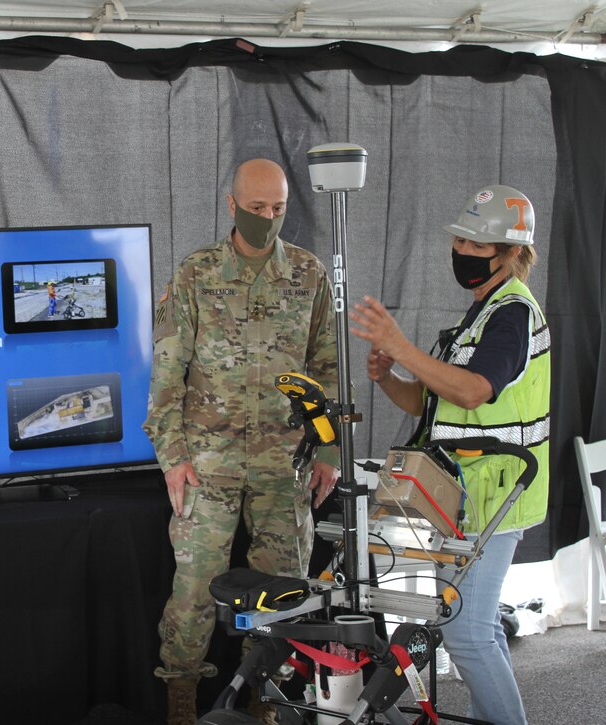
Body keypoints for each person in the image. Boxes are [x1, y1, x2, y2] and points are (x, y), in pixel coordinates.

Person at [144, 158, 341, 725]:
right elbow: (167, 372)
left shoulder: (308, 274)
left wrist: (326, 449)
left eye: (278, 209)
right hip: (208, 463)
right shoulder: (196, 273)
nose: (268, 218)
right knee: (194, 594)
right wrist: (173, 459)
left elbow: (325, 367)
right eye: (257, 208)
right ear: (231, 205)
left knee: (283, 592)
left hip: (285, 465)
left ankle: (266, 707)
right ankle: (182, 705)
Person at [349, 184, 549, 725]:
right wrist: (391, 376)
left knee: (465, 631)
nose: (462, 252)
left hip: (494, 496)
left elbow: (474, 390)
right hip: (461, 496)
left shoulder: (512, 317)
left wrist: (402, 345)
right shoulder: (478, 315)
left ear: (511, 254)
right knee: (475, 628)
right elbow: (432, 403)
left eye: (476, 245)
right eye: (459, 240)